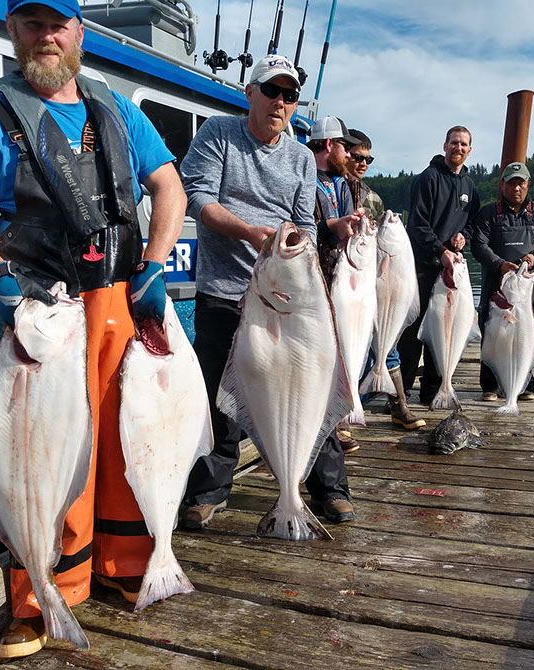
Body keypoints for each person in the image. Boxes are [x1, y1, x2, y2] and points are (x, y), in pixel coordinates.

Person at [0, 0, 186, 658]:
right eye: (31, 24)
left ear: (79, 31)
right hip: (35, 305)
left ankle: (129, 567)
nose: (46, 37)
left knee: (127, 436)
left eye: (58, 24)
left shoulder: (119, 112)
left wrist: (157, 266)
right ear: (14, 31)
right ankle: (36, 595)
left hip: (117, 302)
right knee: (38, 451)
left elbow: (169, 188)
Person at [180, 58, 354, 528]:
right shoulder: (218, 133)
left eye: (290, 95)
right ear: (250, 92)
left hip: (290, 296)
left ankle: (329, 487)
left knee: (315, 388)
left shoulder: (300, 157)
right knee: (221, 392)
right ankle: (211, 489)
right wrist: (251, 233)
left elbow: (304, 225)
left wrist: (293, 249)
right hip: (225, 288)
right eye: (272, 91)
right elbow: (198, 199)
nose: (281, 102)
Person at [344, 128, 425, 431]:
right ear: (343, 152)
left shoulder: (372, 198)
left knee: (387, 345)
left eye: (369, 158)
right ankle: (342, 415)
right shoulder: (330, 188)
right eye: (358, 157)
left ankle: (398, 404)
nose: (364, 163)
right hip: (344, 281)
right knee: (346, 347)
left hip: (374, 281)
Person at [397, 126, 480, 403]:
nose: (458, 148)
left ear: (470, 150)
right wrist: (440, 250)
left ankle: (433, 389)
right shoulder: (427, 179)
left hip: (451, 271)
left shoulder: (470, 186)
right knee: (413, 333)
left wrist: (463, 237)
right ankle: (401, 391)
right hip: (424, 267)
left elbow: (472, 225)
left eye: (464, 144)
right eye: (454, 143)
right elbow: (417, 225)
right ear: (445, 145)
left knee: (443, 331)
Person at [471, 162, 534, 401]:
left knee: (525, 334)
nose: (516, 187)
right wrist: (500, 264)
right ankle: (490, 385)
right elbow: (478, 245)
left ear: (528, 184)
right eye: (511, 182)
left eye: (520, 182)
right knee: (492, 332)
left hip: (527, 286)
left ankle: (525, 384)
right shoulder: (489, 213)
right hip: (495, 284)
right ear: (503, 185)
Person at [305, 116, 364, 452]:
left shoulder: (342, 183)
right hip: (316, 280)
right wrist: (335, 225)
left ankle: (337, 419)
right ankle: (325, 425)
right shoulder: (305, 177)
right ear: (329, 145)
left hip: (339, 278)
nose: (350, 155)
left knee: (343, 349)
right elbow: (305, 224)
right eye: (345, 147)